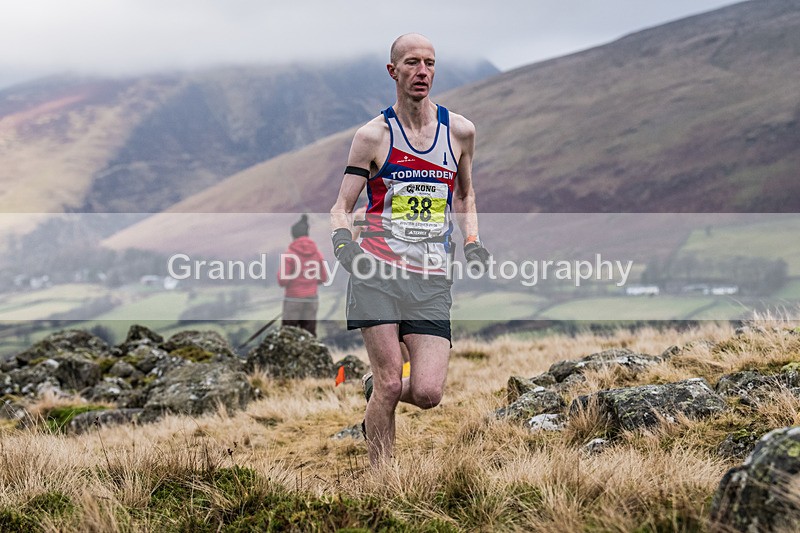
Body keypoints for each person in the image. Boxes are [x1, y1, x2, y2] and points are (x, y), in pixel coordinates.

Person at [329, 33, 490, 466]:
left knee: (427, 393)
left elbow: (466, 194)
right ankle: (383, 481)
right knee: (390, 385)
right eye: (413, 63)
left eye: (430, 63)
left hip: (430, 279)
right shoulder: (372, 136)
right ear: (393, 71)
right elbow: (342, 206)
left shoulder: (459, 132)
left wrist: (472, 241)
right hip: (376, 275)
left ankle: (374, 386)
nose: (423, 72)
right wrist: (345, 246)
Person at [277, 214, 328, 336]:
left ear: (293, 235)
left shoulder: (290, 254)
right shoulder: (317, 254)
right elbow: (324, 278)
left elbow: (282, 280)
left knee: (288, 336)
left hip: (293, 299)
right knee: (309, 335)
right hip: (312, 299)